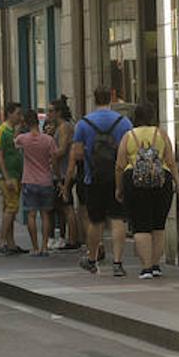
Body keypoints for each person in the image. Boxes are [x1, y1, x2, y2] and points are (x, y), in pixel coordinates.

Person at [68, 86, 133, 276]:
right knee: (117, 219)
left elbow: (77, 153)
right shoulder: (124, 122)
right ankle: (118, 263)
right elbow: (129, 150)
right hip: (117, 177)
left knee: (95, 221)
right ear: (111, 99)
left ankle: (92, 259)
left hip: (93, 177)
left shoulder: (83, 123)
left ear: (94, 99)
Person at [116, 102, 179, 279]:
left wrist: (119, 187)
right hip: (161, 182)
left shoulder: (128, 136)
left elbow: (119, 165)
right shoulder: (161, 134)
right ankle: (155, 265)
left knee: (141, 226)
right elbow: (171, 161)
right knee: (158, 226)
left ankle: (145, 268)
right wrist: (178, 184)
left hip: (135, 183)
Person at [15, 108, 57, 256]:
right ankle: (45, 246)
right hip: (45, 180)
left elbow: (15, 143)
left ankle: (35, 247)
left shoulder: (23, 139)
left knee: (31, 215)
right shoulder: (48, 140)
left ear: (26, 122)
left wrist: (20, 128)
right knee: (46, 215)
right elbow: (54, 158)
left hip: (29, 180)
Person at [0, 102, 26, 254]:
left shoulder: (13, 131)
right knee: (11, 207)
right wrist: (6, 177)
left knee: (10, 208)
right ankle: (1, 241)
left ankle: (11, 243)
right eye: (18, 113)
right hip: (7, 175)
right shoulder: (1, 131)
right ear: (9, 113)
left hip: (15, 174)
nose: (20, 116)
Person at [49, 98, 81, 251]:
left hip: (63, 173)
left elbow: (61, 150)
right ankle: (71, 237)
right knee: (63, 206)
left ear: (58, 113)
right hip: (61, 171)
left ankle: (73, 239)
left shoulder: (64, 127)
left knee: (66, 205)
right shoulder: (61, 127)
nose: (48, 114)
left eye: (51, 111)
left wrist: (50, 153)